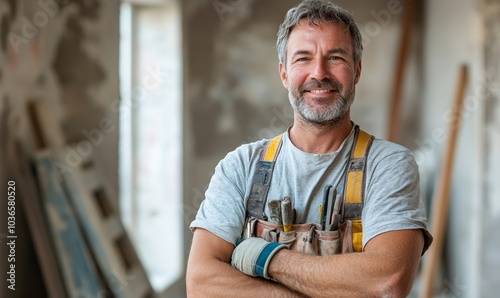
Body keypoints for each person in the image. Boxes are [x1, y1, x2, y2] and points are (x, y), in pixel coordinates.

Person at [186, 0, 432, 297]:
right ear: (284, 74)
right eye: (303, 58)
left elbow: (387, 283)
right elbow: (201, 284)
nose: (319, 73)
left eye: (336, 58)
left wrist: (266, 258)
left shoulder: (389, 165)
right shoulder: (241, 167)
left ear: (356, 71)